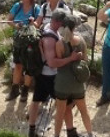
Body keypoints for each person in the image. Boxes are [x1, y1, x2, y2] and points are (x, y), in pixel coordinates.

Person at [29, 9, 82, 137]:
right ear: (58, 22)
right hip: (49, 76)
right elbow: (52, 62)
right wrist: (71, 58)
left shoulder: (48, 27)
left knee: (36, 100)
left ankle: (31, 130)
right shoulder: (49, 39)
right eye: (63, 23)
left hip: (42, 73)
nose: (64, 26)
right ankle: (71, 132)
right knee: (66, 103)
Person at [52, 14, 94, 137]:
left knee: (60, 113)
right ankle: (90, 133)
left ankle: (56, 135)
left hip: (62, 83)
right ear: (75, 26)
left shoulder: (59, 43)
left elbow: (59, 64)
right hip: (77, 83)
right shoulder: (81, 41)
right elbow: (85, 61)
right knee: (83, 111)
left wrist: (68, 59)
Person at [7, 0, 43, 101]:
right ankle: (15, 90)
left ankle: (25, 90)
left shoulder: (36, 9)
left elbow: (38, 25)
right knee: (18, 65)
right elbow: (9, 20)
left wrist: (32, 23)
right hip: (18, 40)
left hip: (30, 42)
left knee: (29, 67)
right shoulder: (17, 6)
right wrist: (16, 26)